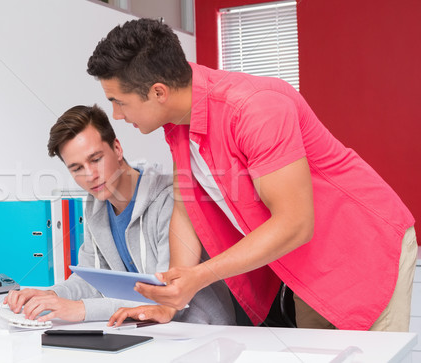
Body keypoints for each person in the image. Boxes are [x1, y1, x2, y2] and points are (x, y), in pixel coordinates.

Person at [87, 18, 417, 331]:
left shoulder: (255, 108)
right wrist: (172, 297)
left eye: (119, 102)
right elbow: (186, 210)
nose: (116, 114)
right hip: (307, 264)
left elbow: (295, 223)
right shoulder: (177, 124)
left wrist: (200, 277)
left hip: (362, 247)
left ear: (159, 92)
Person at [4, 104, 236, 325]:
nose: (91, 175)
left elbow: (166, 296)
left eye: (96, 159)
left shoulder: (168, 199)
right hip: (150, 332)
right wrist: (50, 295)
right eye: (77, 168)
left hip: (201, 331)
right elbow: (92, 278)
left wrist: (80, 310)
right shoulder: (96, 205)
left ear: (117, 148)